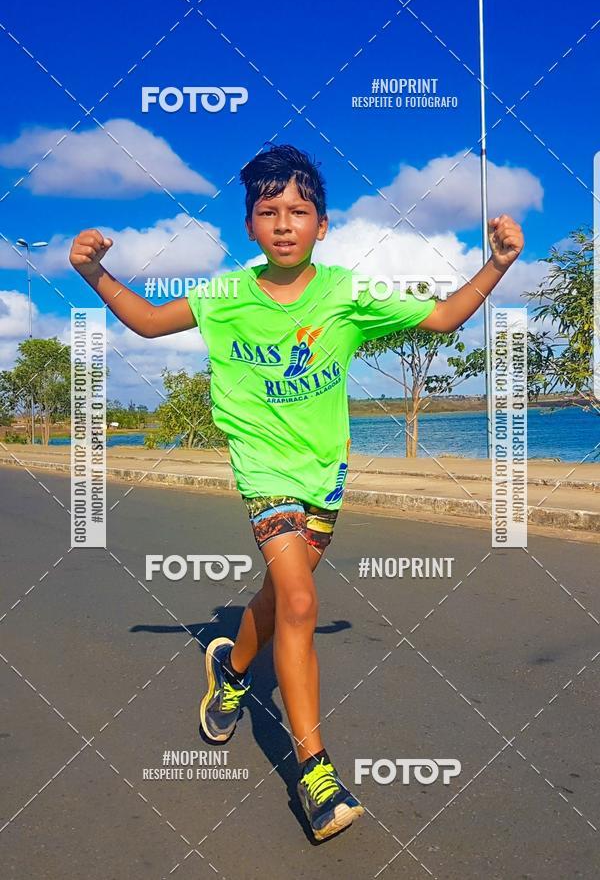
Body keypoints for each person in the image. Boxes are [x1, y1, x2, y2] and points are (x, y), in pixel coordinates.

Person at [69, 143, 524, 841]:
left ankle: (230, 672)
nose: (284, 223)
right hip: (262, 471)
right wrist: (97, 273)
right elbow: (152, 321)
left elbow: (441, 319)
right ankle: (315, 774)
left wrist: (494, 265)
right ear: (249, 227)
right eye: (268, 211)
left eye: (299, 211)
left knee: (282, 596)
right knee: (304, 600)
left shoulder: (345, 293)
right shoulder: (225, 296)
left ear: (323, 223)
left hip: (325, 475)